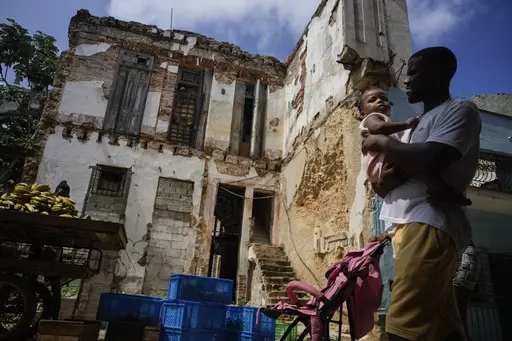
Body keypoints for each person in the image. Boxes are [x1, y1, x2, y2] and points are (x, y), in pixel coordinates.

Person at [362, 46, 481, 341]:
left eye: (414, 72)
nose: (407, 80)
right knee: (444, 328)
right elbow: (381, 185)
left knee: (402, 326)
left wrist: (384, 144)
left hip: (429, 223)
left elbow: (430, 158)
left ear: (439, 73)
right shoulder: (413, 128)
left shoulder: (459, 110)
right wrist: (402, 155)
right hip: (407, 226)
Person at [358, 84, 472, 206]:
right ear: (363, 113)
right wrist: (406, 124)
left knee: (415, 165)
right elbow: (377, 127)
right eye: (372, 100)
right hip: (380, 163)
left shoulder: (386, 122)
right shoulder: (373, 118)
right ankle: (443, 190)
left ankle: (441, 189)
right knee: (414, 163)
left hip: (382, 168)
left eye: (383, 98)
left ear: (390, 104)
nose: (379, 101)